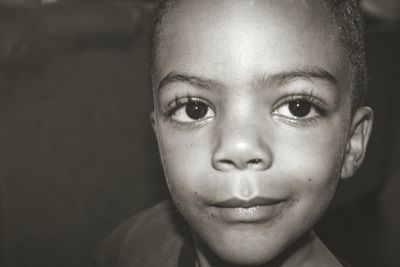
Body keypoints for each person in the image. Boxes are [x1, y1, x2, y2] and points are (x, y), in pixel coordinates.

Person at [94, 0, 373, 266]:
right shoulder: (135, 241)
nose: (239, 148)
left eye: (297, 107)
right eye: (194, 109)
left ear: (352, 142)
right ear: (159, 140)